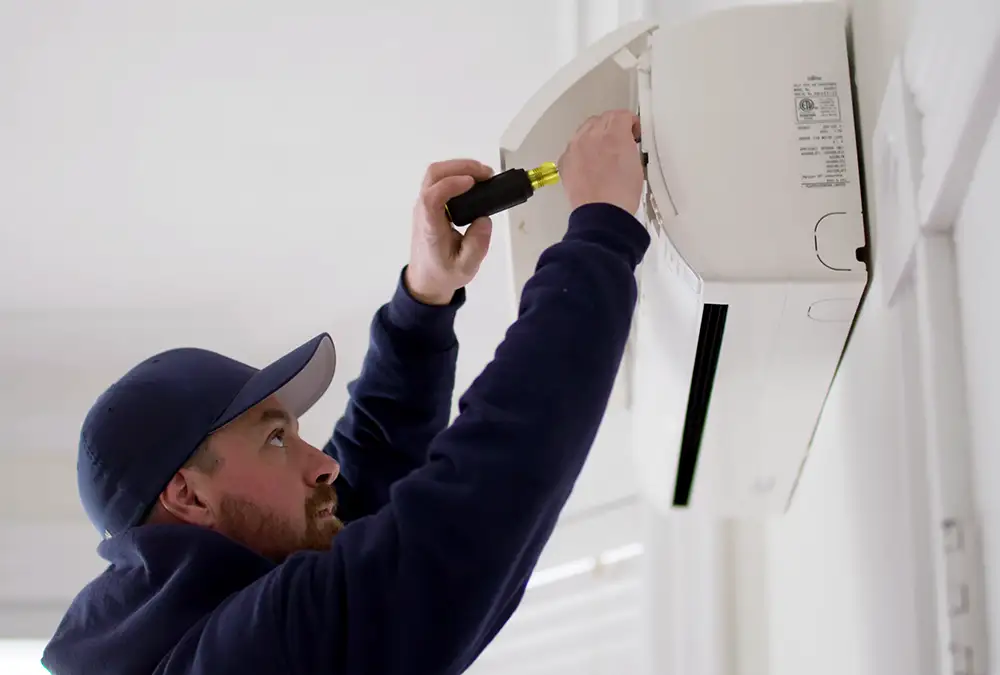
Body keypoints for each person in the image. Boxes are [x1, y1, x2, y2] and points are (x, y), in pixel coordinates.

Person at [41, 109, 649, 675]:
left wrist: (424, 299)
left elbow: (356, 486)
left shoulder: (200, 629)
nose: (323, 465)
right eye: (275, 440)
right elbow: (478, 499)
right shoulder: (249, 654)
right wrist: (600, 233)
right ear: (189, 495)